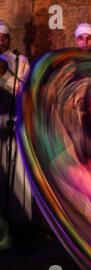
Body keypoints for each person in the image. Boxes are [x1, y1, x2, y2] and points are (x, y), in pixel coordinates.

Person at [0, 20, 31, 241]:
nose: (1, 41)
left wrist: (7, 74)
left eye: (4, 37)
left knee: (15, 175)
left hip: (13, 123)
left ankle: (17, 224)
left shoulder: (20, 61)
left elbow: (22, 90)